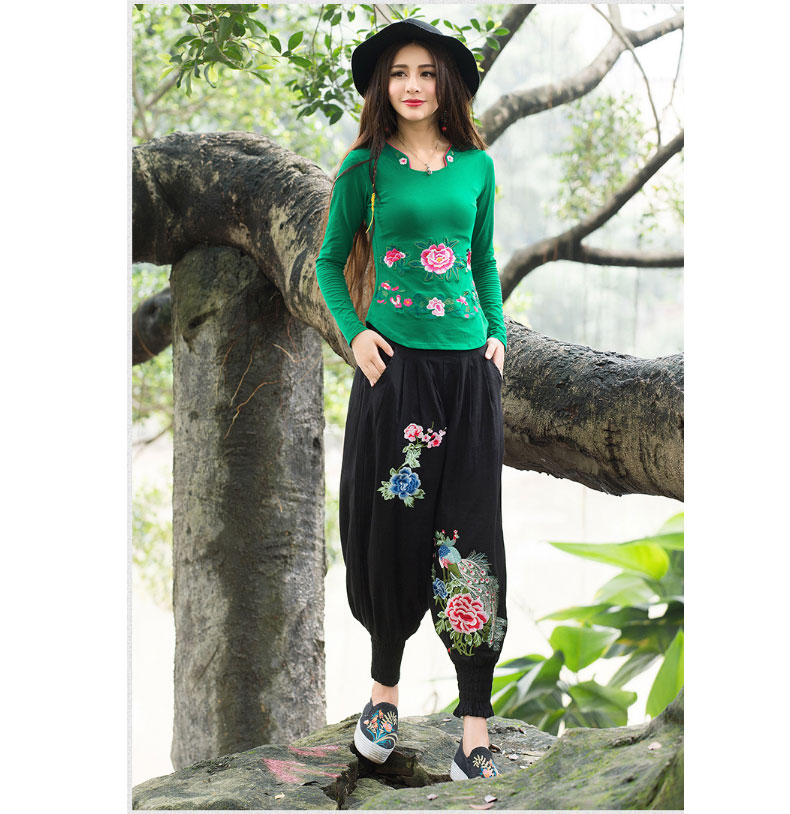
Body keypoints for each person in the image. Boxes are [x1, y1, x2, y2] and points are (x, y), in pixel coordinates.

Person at [314, 18, 507, 782]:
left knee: (472, 535)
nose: (414, 85)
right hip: (396, 376)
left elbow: (482, 260)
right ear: (382, 86)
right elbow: (329, 262)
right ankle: (384, 693)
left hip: (468, 378)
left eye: (427, 72)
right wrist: (355, 334)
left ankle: (474, 729)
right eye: (399, 73)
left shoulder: (478, 167)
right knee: (392, 528)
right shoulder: (364, 168)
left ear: (446, 82)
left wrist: (497, 335)